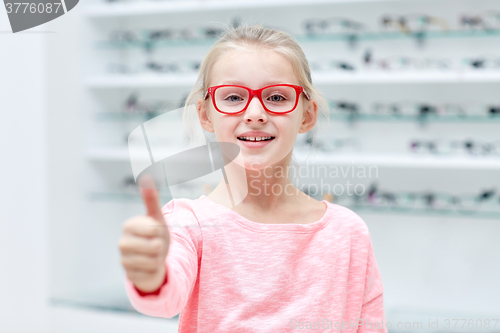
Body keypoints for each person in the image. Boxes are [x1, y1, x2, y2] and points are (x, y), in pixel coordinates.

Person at [118, 24, 387, 333]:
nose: (255, 113)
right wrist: (151, 276)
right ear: (205, 114)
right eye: (233, 97)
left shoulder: (348, 233)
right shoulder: (187, 224)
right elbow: (163, 298)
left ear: (307, 115)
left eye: (276, 97)